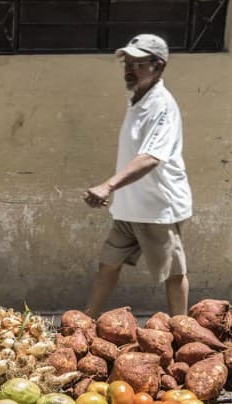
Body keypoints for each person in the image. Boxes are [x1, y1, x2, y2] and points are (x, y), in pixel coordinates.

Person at [84, 33, 193, 317]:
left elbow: (150, 158)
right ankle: (85, 322)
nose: (129, 69)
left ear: (158, 66)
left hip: (157, 208)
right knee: (108, 263)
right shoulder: (138, 99)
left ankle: (182, 330)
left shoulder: (162, 105)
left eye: (137, 63)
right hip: (128, 208)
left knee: (173, 273)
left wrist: (108, 185)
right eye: (127, 63)